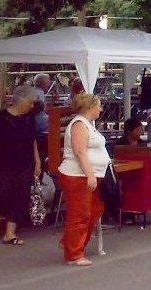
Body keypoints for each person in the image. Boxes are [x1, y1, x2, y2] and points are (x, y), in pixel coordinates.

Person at [58, 93, 110, 265]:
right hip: (77, 175)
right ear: (90, 107)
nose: (101, 109)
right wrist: (90, 174)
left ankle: (71, 242)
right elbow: (80, 152)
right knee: (81, 213)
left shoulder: (87, 124)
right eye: (99, 105)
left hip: (88, 175)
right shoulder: (79, 124)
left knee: (95, 209)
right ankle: (74, 254)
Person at [0, 86, 42, 246]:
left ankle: (10, 233)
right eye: (31, 102)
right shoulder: (2, 118)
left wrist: (37, 160)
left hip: (25, 163)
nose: (32, 106)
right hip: (4, 163)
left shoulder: (29, 118)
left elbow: (33, 140)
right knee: (5, 193)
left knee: (20, 195)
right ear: (22, 100)